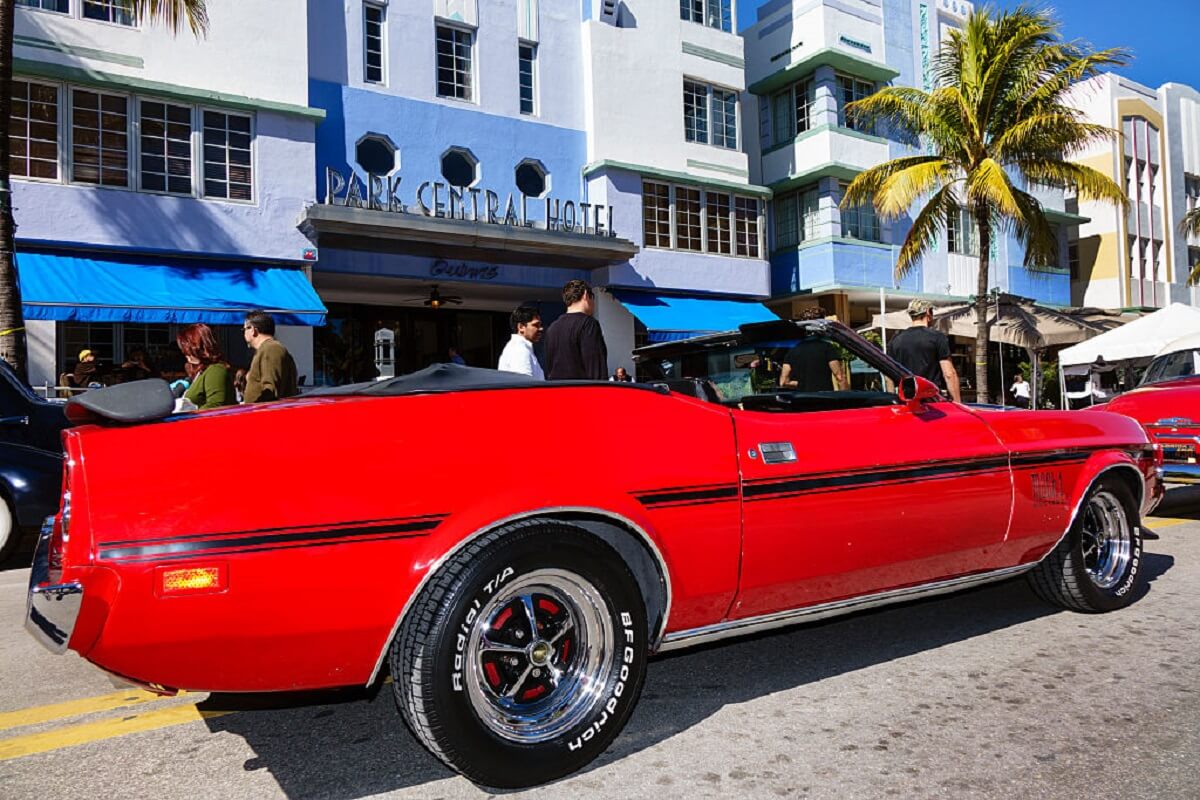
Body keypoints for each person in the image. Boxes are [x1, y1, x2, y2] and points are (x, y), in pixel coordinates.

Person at [887, 299, 962, 403]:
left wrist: (893, 401)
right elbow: (949, 374)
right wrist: (958, 404)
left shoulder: (896, 339)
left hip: (906, 402)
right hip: (931, 402)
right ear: (927, 312)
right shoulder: (937, 337)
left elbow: (889, 375)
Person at [543, 280, 608, 381]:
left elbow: (549, 368)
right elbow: (596, 369)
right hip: (582, 392)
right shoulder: (588, 324)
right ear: (585, 295)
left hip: (557, 391)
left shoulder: (552, 328)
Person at [778, 307, 848, 391]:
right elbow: (840, 377)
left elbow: (783, 382)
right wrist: (845, 399)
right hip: (824, 399)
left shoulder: (793, 350)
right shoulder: (827, 348)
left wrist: (801, 384)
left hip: (801, 400)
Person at [242, 309, 299, 403]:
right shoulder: (268, 349)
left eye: (244, 329)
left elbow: (271, 391)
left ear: (253, 330)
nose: (243, 333)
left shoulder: (271, 349)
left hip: (263, 415)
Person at [177, 323, 236, 410]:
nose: (186, 355)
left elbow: (216, 404)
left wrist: (191, 414)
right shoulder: (203, 371)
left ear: (200, 348)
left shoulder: (216, 370)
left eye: (188, 351)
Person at [497, 305, 545, 379]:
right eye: (536, 325)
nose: (541, 328)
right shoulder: (519, 350)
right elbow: (525, 385)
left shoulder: (520, 347)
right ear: (521, 327)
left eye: (540, 325)